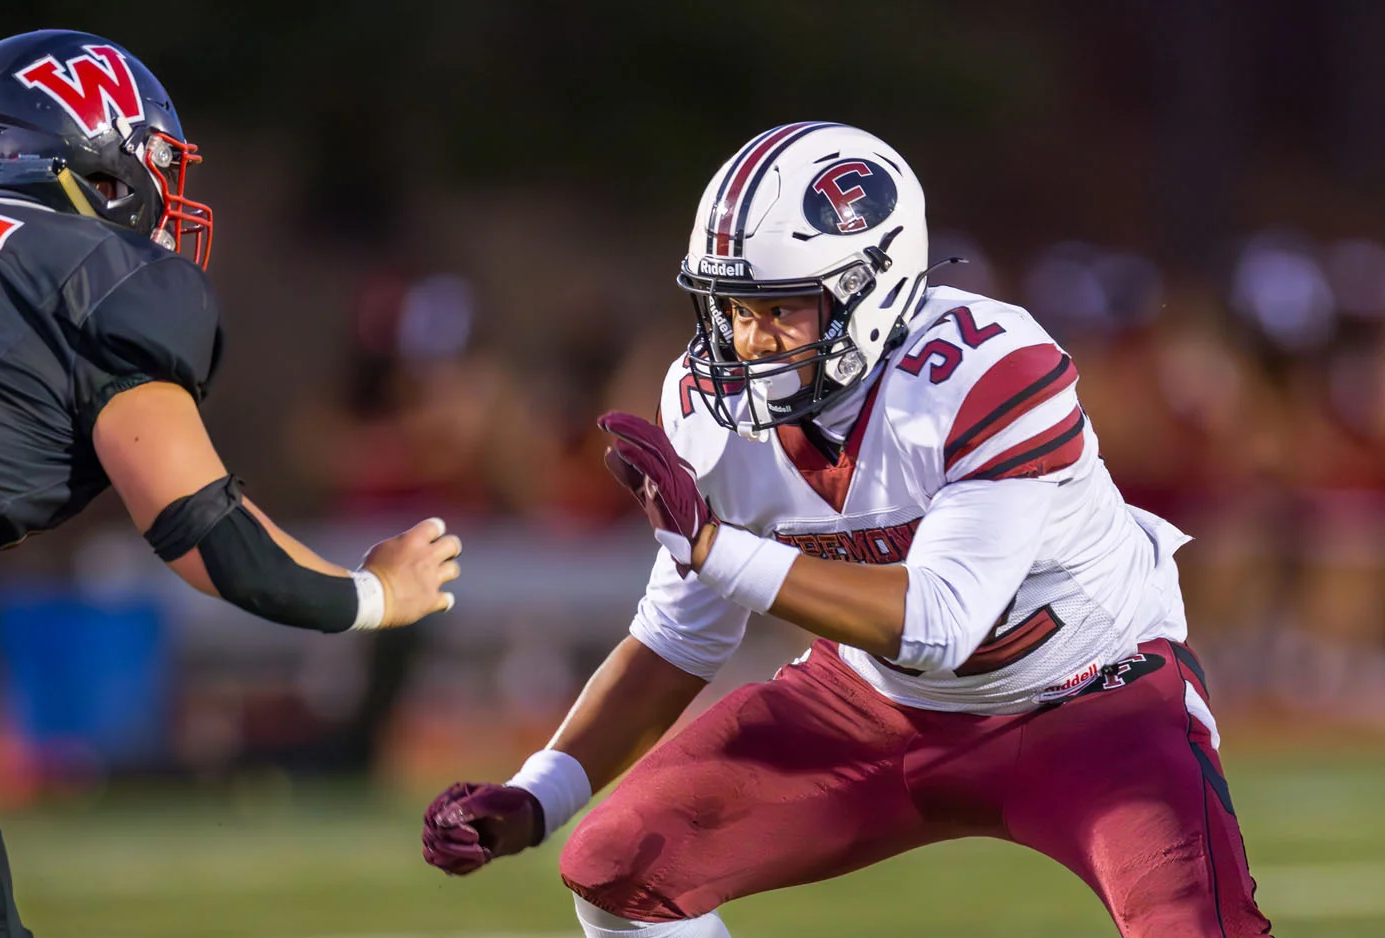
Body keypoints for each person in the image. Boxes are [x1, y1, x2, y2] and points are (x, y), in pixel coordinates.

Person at [421, 122, 1273, 937]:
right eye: (729, 310)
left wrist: (718, 548)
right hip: (872, 706)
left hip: (1089, 701)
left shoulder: (988, 368)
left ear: (871, 289)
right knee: (614, 867)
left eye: (779, 309)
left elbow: (938, 623)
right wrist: (539, 794)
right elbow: (679, 636)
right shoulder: (707, 408)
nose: (746, 344)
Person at [0, 30, 461, 937]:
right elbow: (210, 536)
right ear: (89, 166)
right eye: (148, 166)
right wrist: (376, 594)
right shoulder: (101, 273)